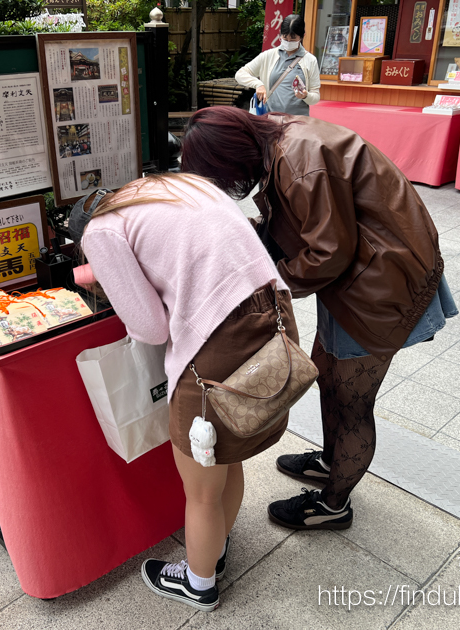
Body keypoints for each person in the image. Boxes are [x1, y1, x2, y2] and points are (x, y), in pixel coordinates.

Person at [180, 106, 457, 531]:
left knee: (353, 404)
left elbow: (328, 252)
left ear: (232, 156)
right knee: (328, 377)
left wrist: (273, 283)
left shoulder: (297, 161)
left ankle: (334, 505)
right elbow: (309, 225)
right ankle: (332, 461)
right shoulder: (279, 138)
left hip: (376, 287)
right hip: (360, 275)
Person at [73, 173, 299, 611]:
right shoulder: (177, 184)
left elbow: (150, 328)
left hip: (220, 337)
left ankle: (198, 582)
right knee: (225, 456)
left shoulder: (100, 230)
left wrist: (105, 278)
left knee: (200, 487)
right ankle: (213, 547)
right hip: (272, 311)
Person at [235, 14, 320, 116]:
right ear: (280, 34)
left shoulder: (310, 60)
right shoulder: (268, 56)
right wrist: (258, 84)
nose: (288, 42)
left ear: (302, 36)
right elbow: (240, 74)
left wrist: (306, 96)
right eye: (285, 38)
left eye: (293, 39)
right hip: (271, 120)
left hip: (298, 122)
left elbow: (315, 97)